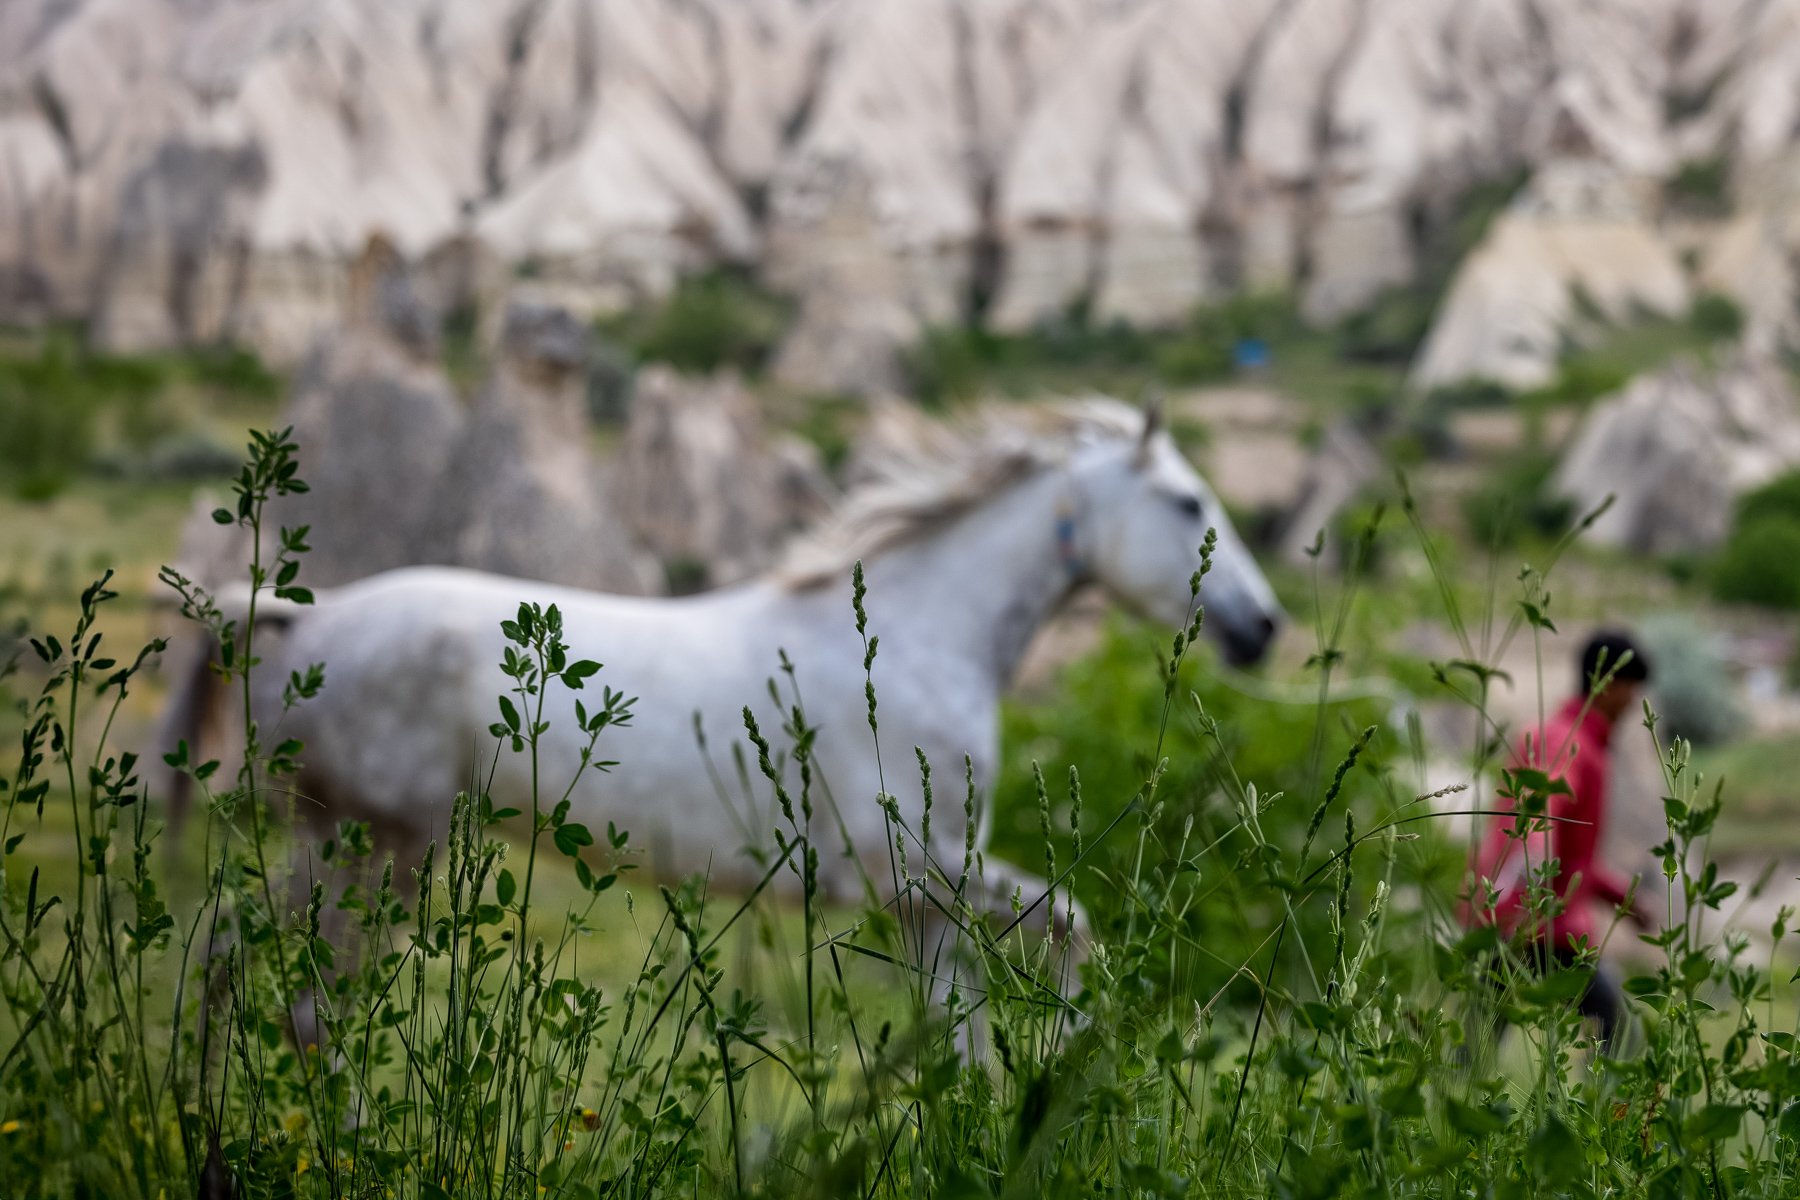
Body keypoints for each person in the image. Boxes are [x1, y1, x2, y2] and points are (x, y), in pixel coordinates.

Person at [1461, 630, 1655, 1054]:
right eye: (1632, 689)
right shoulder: (1566, 740)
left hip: (1515, 917)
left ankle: (1440, 1112)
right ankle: (1600, 1118)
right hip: (1534, 925)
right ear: (1612, 684)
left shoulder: (1575, 740)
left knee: (1476, 1044)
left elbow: (1573, 858)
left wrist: (1622, 896)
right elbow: (1539, 813)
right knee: (1618, 1032)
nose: (1633, 702)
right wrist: (1530, 877)